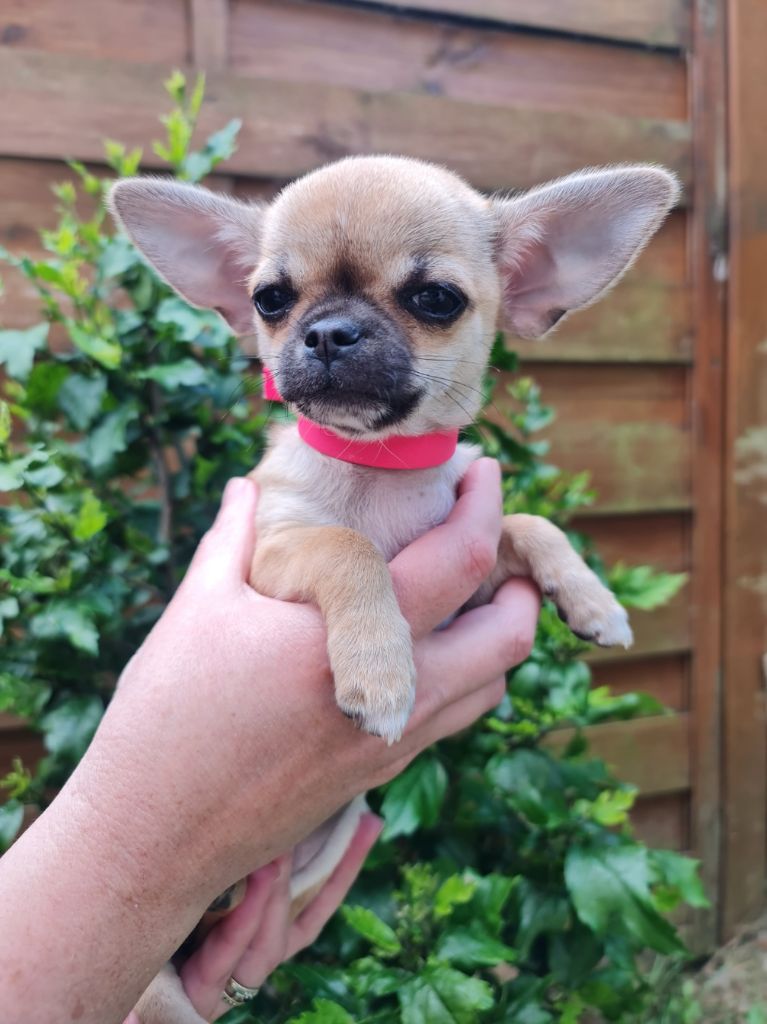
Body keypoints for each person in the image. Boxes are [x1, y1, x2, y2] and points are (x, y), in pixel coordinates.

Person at [0, 460, 539, 1024]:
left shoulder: (447, 479)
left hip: (281, 871)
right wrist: (151, 859)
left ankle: (159, 994)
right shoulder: (302, 475)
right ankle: (156, 991)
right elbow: (279, 557)